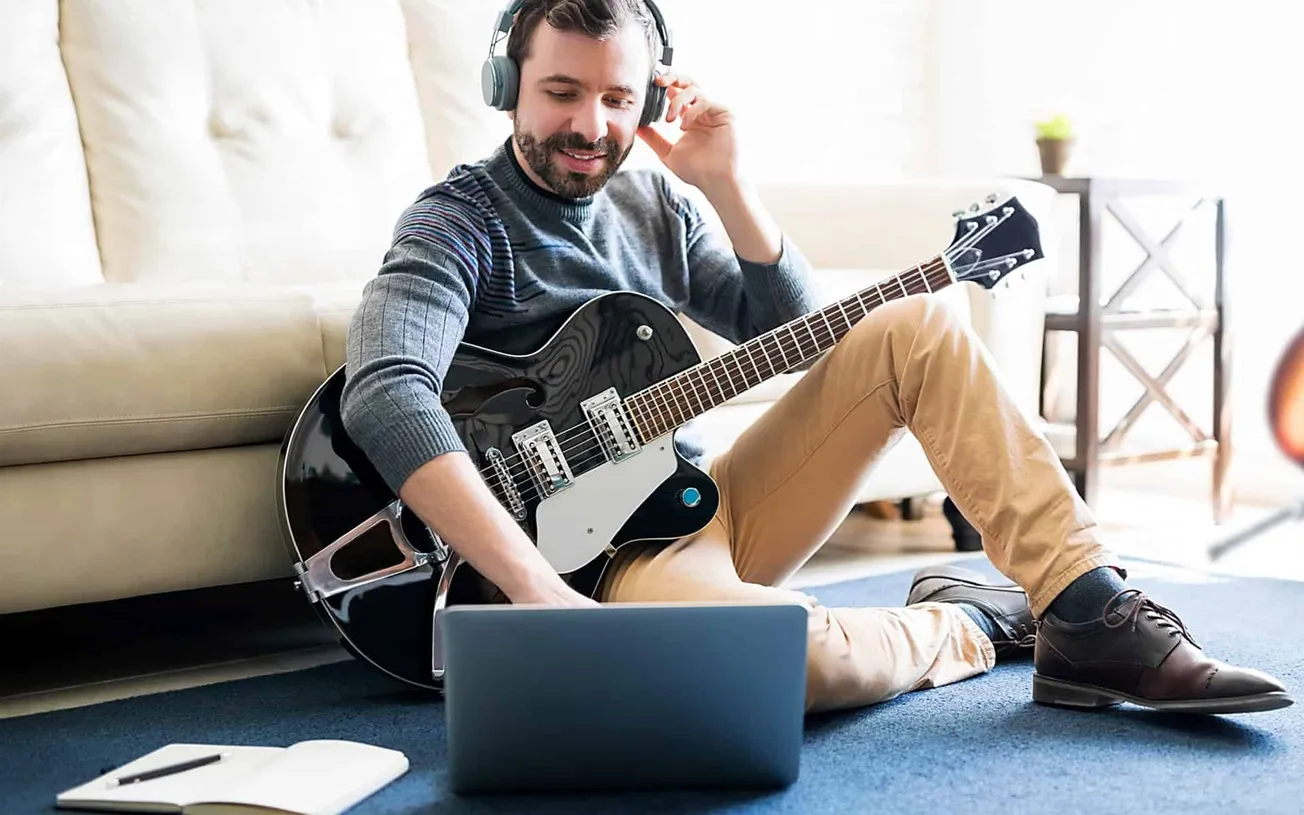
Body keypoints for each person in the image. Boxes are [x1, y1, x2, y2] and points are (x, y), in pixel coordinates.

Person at [340, 0, 1291, 716]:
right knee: (789, 663)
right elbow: (387, 392)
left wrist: (726, 184)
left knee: (918, 327)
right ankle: (982, 621)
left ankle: (1087, 607)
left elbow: (793, 337)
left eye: (618, 98)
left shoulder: (656, 205)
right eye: (561, 92)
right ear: (507, 85)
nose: (591, 125)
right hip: (590, 572)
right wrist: (534, 587)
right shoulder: (458, 222)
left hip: (691, 502)